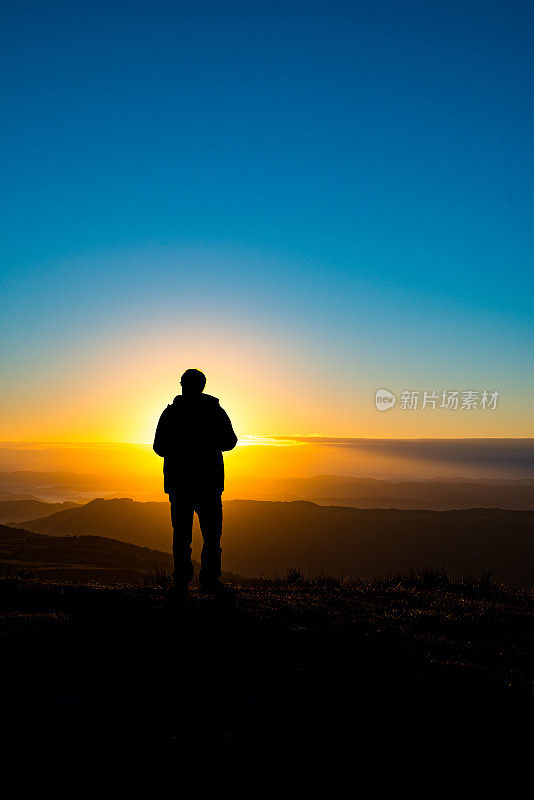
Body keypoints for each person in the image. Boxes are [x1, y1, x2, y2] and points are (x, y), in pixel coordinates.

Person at [153, 369, 237, 596]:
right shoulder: (215, 412)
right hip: (208, 483)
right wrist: (207, 443)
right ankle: (209, 581)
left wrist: (179, 449)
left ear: (182, 384)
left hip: (180, 484)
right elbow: (230, 442)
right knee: (211, 535)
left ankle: (181, 582)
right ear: (203, 386)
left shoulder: (170, 414)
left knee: (182, 536)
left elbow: (158, 447)